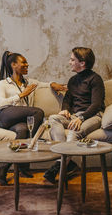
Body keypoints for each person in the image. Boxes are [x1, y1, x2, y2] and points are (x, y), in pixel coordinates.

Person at [0, 51, 66, 185]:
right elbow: (0, 103)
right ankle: (32, 144)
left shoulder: (29, 82)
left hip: (18, 122)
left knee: (22, 130)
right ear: (13, 65)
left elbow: (44, 84)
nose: (27, 65)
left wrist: (53, 84)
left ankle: (4, 169)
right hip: (4, 115)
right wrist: (21, 95)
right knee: (38, 112)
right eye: (24, 62)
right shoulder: (3, 83)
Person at [43, 47, 105, 184]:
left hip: (93, 115)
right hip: (75, 116)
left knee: (73, 131)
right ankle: (66, 162)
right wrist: (65, 109)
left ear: (82, 63)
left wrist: (81, 118)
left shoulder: (95, 79)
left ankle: (59, 166)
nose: (69, 62)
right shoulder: (72, 80)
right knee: (53, 118)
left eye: (72, 60)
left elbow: (96, 104)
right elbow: (67, 100)